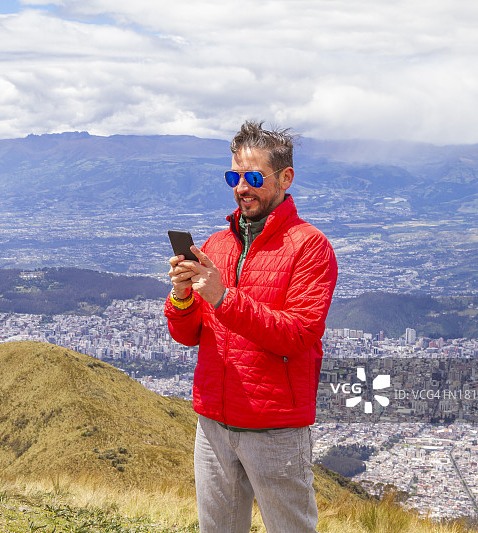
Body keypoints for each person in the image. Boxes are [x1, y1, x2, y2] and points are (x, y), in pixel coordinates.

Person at [165, 120, 338, 533]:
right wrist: (183, 296)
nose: (242, 187)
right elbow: (187, 335)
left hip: (275, 427)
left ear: (285, 178)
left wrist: (224, 298)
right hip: (213, 423)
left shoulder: (310, 247)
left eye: (254, 177)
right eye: (234, 176)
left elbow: (298, 335)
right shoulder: (215, 245)